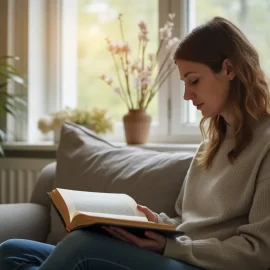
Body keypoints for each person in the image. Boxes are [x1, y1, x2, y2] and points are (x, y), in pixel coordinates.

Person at [1, 16, 270, 270]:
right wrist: (154, 223)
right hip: (181, 254)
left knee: (81, 247)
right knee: (12, 250)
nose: (187, 94)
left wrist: (170, 247)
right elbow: (187, 223)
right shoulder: (209, 146)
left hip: (203, 265)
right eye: (184, 83)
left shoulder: (265, 146)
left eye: (194, 80)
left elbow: (259, 251)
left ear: (229, 68)